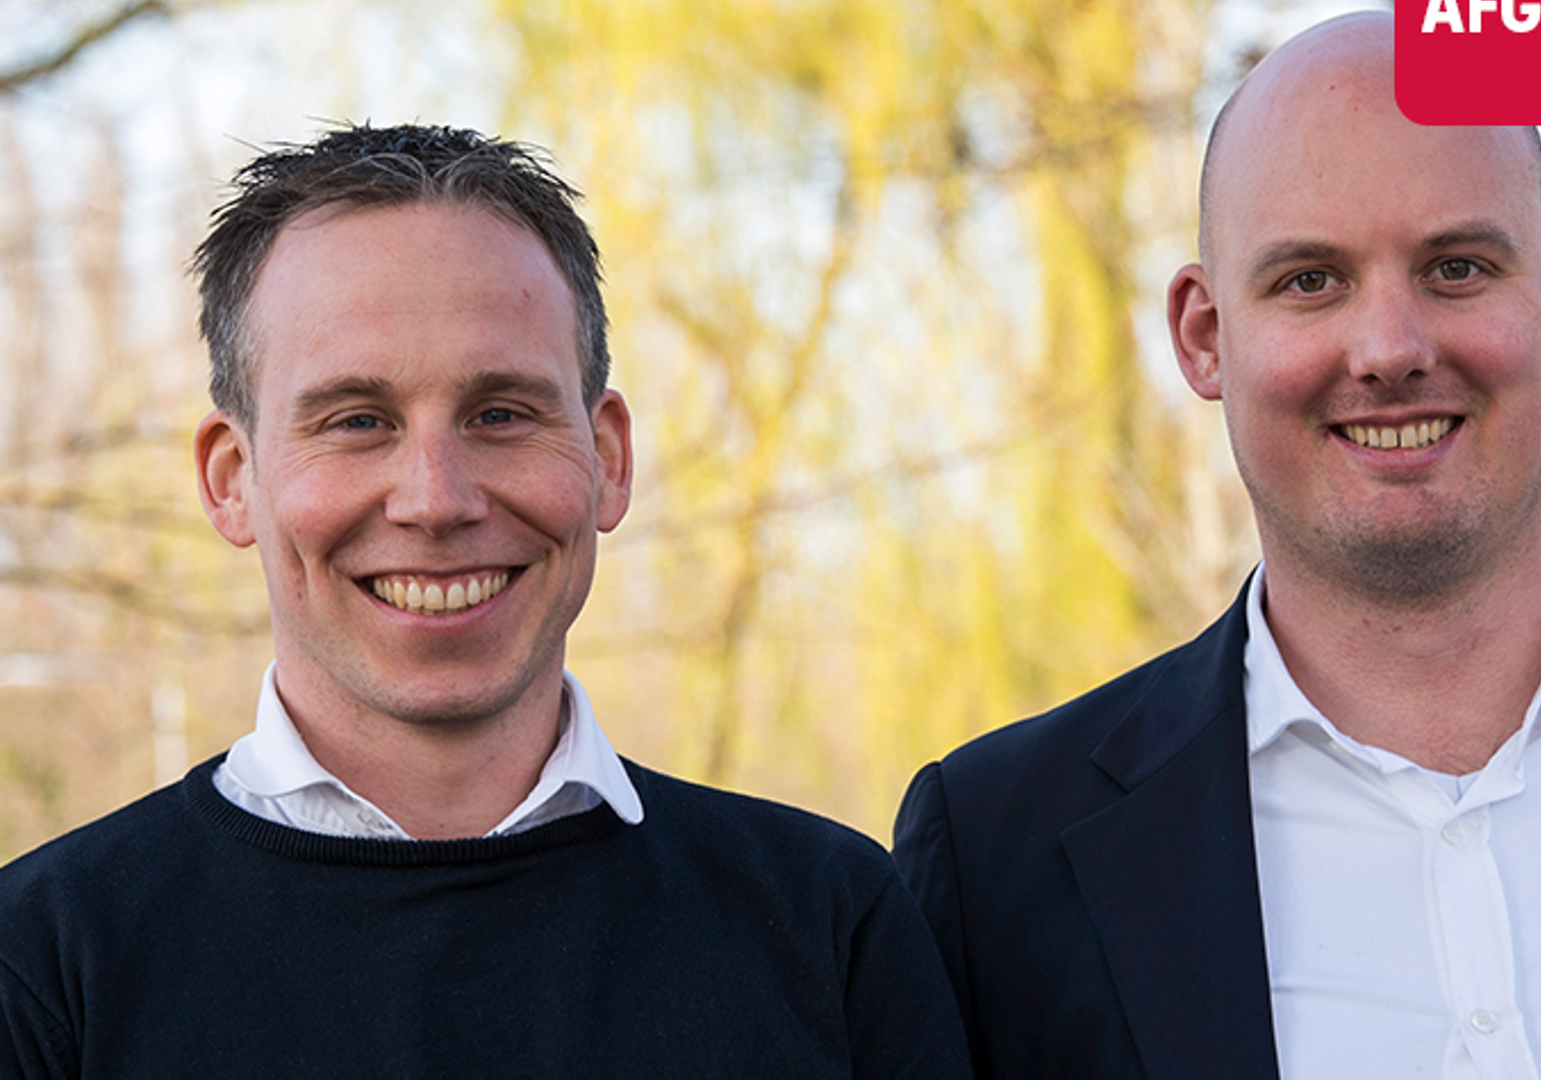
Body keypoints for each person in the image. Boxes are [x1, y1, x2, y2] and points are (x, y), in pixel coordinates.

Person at [892, 13, 1541, 1079]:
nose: (1389, 350)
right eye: (1310, 281)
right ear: (1205, 337)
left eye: (1456, 267)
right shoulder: (995, 868)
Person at [0, 124, 969, 1078]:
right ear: (230, 479)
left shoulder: (830, 924)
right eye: (357, 421)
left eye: (500, 414)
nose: (436, 500)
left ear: (609, 459)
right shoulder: (43, 968)